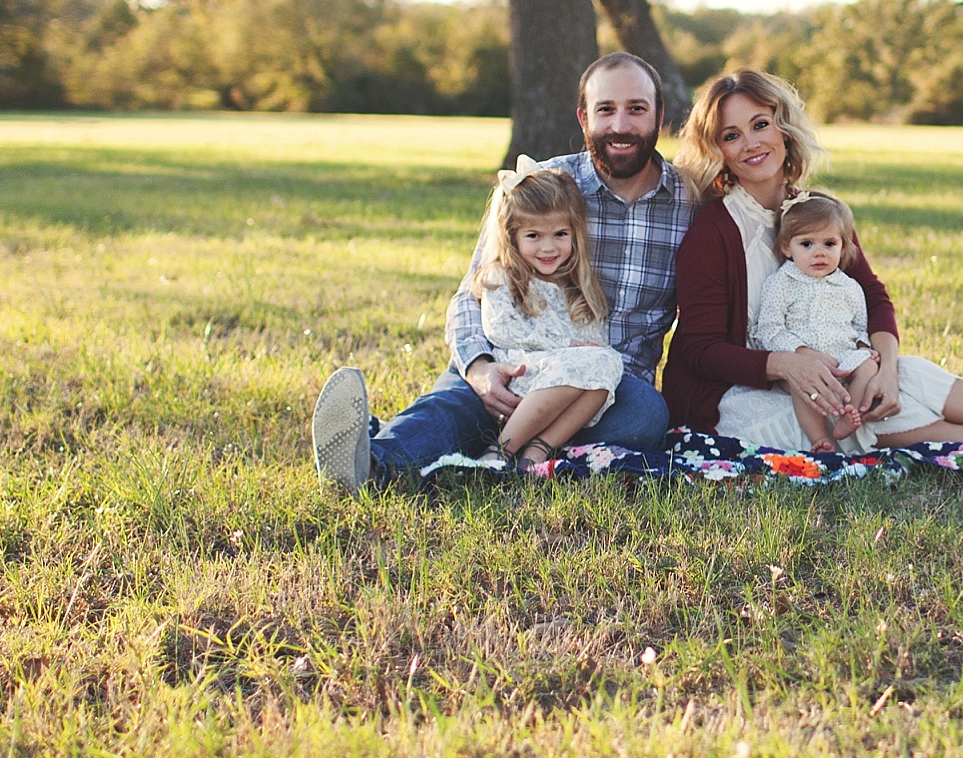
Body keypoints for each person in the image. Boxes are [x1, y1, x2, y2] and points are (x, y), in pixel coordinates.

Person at [662, 68, 963, 458]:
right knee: (873, 414)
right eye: (731, 136)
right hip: (734, 402)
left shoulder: (815, 211)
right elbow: (697, 351)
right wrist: (785, 365)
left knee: (906, 378)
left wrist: (885, 364)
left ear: (784, 127)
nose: (751, 143)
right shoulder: (714, 231)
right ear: (718, 150)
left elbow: (874, 296)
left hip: (829, 375)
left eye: (760, 124)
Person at [310, 52, 693, 489]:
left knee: (646, 418)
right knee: (460, 400)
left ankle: (496, 449)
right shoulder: (542, 185)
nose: (621, 126)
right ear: (584, 118)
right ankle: (374, 464)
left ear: (659, 116)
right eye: (606, 110)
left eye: (636, 110)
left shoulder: (689, 200)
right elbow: (471, 293)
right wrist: (479, 367)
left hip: (602, 391)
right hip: (514, 359)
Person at [469, 158, 625, 468]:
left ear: (574, 233)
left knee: (609, 361)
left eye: (560, 235)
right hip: (521, 374)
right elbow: (501, 330)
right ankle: (499, 451)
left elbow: (592, 343)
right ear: (512, 236)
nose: (548, 248)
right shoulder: (502, 277)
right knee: (593, 362)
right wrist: (568, 348)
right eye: (533, 236)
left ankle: (537, 452)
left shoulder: (577, 287)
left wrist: (586, 350)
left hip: (569, 384)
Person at [744, 192, 881, 451]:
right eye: (807, 244)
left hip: (842, 357)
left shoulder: (849, 286)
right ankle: (820, 438)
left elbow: (859, 326)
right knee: (802, 385)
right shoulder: (782, 283)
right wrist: (803, 353)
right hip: (798, 359)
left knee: (868, 368)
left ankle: (846, 410)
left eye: (829, 244)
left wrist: (863, 347)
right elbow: (770, 329)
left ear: (843, 247)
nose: (819, 253)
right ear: (787, 247)